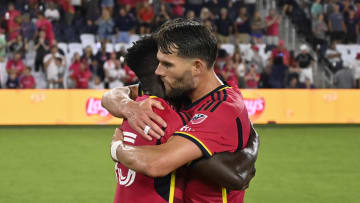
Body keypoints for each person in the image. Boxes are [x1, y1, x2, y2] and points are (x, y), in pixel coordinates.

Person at [105, 19, 253, 203]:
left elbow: (157, 163)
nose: (159, 71)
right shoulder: (179, 90)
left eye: (167, 64)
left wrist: (116, 148)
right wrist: (129, 107)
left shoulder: (222, 109)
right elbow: (112, 96)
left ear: (197, 67)